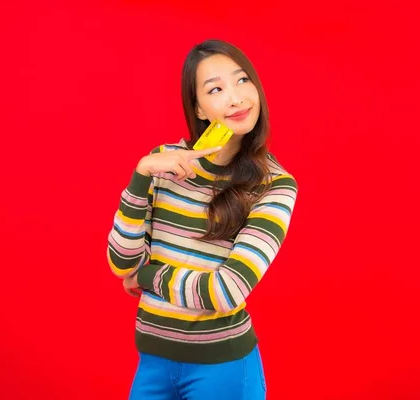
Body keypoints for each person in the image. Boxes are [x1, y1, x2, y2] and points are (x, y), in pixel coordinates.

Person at [107, 39, 298, 400]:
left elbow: (226, 291)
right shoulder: (163, 162)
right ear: (198, 107)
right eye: (216, 89)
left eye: (243, 81)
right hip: (153, 360)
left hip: (223, 370)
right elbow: (121, 262)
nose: (236, 98)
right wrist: (141, 174)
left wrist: (146, 276)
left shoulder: (275, 185)